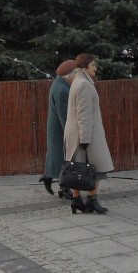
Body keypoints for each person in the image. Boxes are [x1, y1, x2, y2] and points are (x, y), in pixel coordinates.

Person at [63, 53, 114, 214]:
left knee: (77, 169)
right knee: (95, 168)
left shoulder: (77, 82)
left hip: (75, 132)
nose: (95, 68)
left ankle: (77, 200)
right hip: (85, 133)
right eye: (93, 65)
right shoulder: (84, 84)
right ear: (85, 67)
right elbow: (83, 113)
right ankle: (91, 200)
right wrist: (85, 138)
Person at [40, 59, 77, 200]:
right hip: (61, 129)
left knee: (58, 157)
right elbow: (64, 115)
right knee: (65, 157)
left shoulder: (58, 84)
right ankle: (64, 187)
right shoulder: (62, 90)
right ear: (69, 75)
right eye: (76, 74)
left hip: (56, 128)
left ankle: (49, 177)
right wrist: (70, 134)